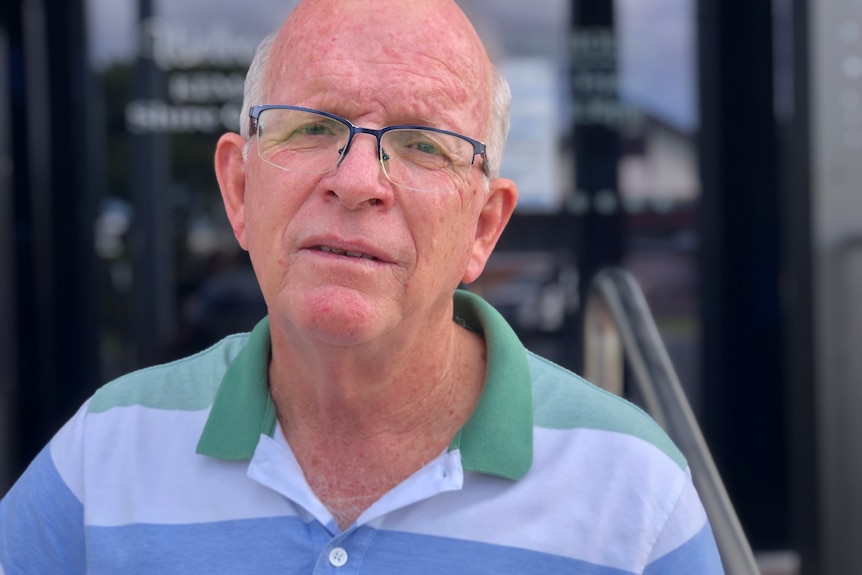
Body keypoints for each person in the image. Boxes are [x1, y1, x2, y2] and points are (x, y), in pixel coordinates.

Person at [0, 0, 725, 572]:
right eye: (312, 128)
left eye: (422, 144)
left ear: (483, 227)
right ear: (239, 188)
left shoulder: (633, 494)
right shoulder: (102, 458)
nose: (355, 183)